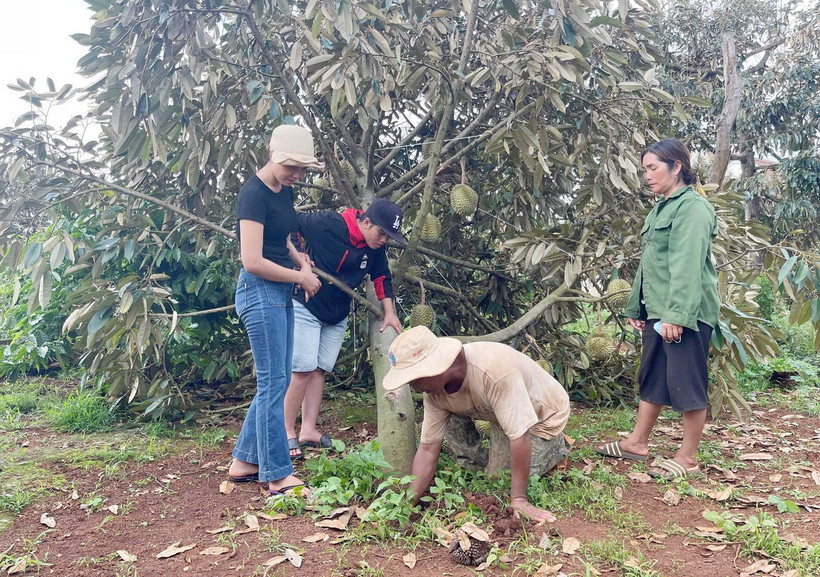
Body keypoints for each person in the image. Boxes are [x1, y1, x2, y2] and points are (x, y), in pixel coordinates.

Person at [595, 138, 719, 480]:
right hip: (658, 310)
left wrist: (676, 316)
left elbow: (686, 265)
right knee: (652, 377)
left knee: (686, 382)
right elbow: (649, 264)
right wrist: (638, 305)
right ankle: (637, 442)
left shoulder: (692, 208)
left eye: (653, 168)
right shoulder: (661, 208)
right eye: (644, 169)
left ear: (676, 166)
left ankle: (688, 457)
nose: (647, 175)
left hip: (685, 312)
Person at [382, 326, 571, 523]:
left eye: (413, 380)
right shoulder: (434, 394)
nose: (413, 387)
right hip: (499, 413)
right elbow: (428, 448)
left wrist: (519, 500)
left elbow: (520, 436)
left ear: (432, 368)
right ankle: (479, 462)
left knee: (502, 480)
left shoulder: (494, 370)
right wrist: (407, 504)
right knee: (489, 471)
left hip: (542, 417)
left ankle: (557, 446)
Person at [227, 125, 324, 495]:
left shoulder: (284, 193)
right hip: (259, 290)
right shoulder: (252, 195)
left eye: (302, 169)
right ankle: (276, 474)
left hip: (279, 291)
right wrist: (300, 278)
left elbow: (281, 238)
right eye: (291, 167)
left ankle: (244, 462)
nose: (297, 174)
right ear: (272, 154)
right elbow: (252, 260)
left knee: (277, 381)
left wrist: (303, 264)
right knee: (273, 385)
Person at [284, 198, 405, 458]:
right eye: (381, 232)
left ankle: (308, 430)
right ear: (366, 222)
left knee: (318, 371)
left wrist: (390, 313)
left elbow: (382, 276)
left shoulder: (375, 248)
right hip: (307, 305)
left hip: (336, 313)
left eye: (388, 236)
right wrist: (298, 253)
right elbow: (290, 222)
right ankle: (286, 432)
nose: (383, 240)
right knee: (302, 370)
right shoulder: (330, 223)